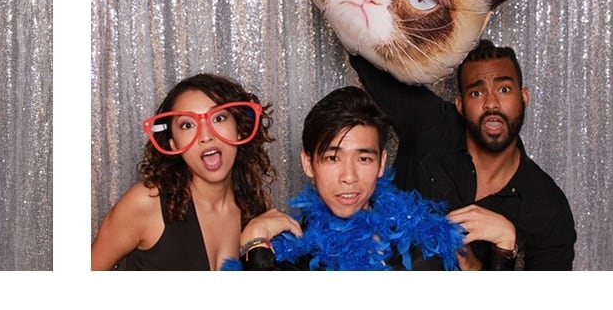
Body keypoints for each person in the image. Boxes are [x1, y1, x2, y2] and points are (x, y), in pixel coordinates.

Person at [352, 40, 577, 268]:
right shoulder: (430, 123)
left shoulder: (548, 207)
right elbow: (362, 46)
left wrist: (502, 246)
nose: (491, 104)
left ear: (524, 97)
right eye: (477, 93)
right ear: (460, 105)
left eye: (504, 90)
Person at [235, 89, 465, 270]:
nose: (348, 177)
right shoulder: (285, 253)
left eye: (364, 159)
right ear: (308, 164)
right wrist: (253, 242)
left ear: (381, 163)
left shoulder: (423, 246)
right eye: (332, 158)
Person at [91, 73, 275, 270]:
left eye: (219, 118)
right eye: (187, 125)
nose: (206, 135)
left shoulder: (254, 206)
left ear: (239, 129)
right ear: (173, 143)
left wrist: (256, 236)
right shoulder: (146, 203)